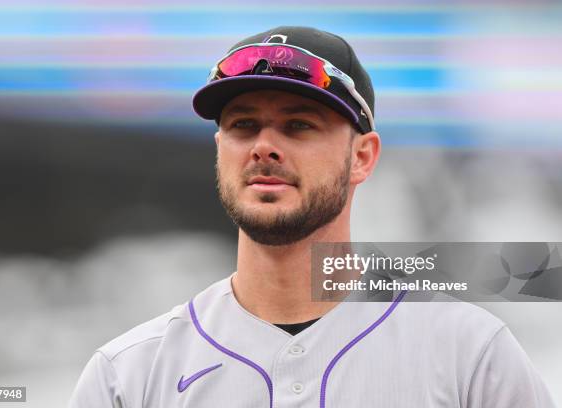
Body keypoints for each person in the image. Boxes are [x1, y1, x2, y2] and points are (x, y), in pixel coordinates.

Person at [68, 26, 556, 408]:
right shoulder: (128, 373)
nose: (264, 146)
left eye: (299, 124)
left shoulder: (468, 353)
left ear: (362, 158)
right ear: (220, 149)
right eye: (243, 125)